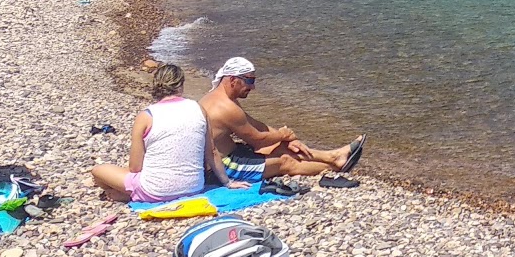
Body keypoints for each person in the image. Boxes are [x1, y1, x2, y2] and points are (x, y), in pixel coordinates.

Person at [90, 65, 246, 203]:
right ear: (181, 86)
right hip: (193, 187)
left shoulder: (146, 116)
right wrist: (227, 183)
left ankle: (126, 194)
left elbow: (135, 167)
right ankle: (126, 193)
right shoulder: (198, 109)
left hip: (155, 191)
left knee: (98, 171)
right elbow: (211, 152)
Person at [200, 58, 364, 183]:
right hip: (222, 167)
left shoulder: (224, 99)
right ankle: (334, 166)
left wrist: (288, 138)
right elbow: (258, 140)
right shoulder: (225, 107)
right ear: (233, 80)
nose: (253, 87)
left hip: (230, 154)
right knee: (285, 161)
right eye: (250, 81)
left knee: (279, 146)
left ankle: (333, 156)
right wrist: (284, 135)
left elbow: (258, 126)